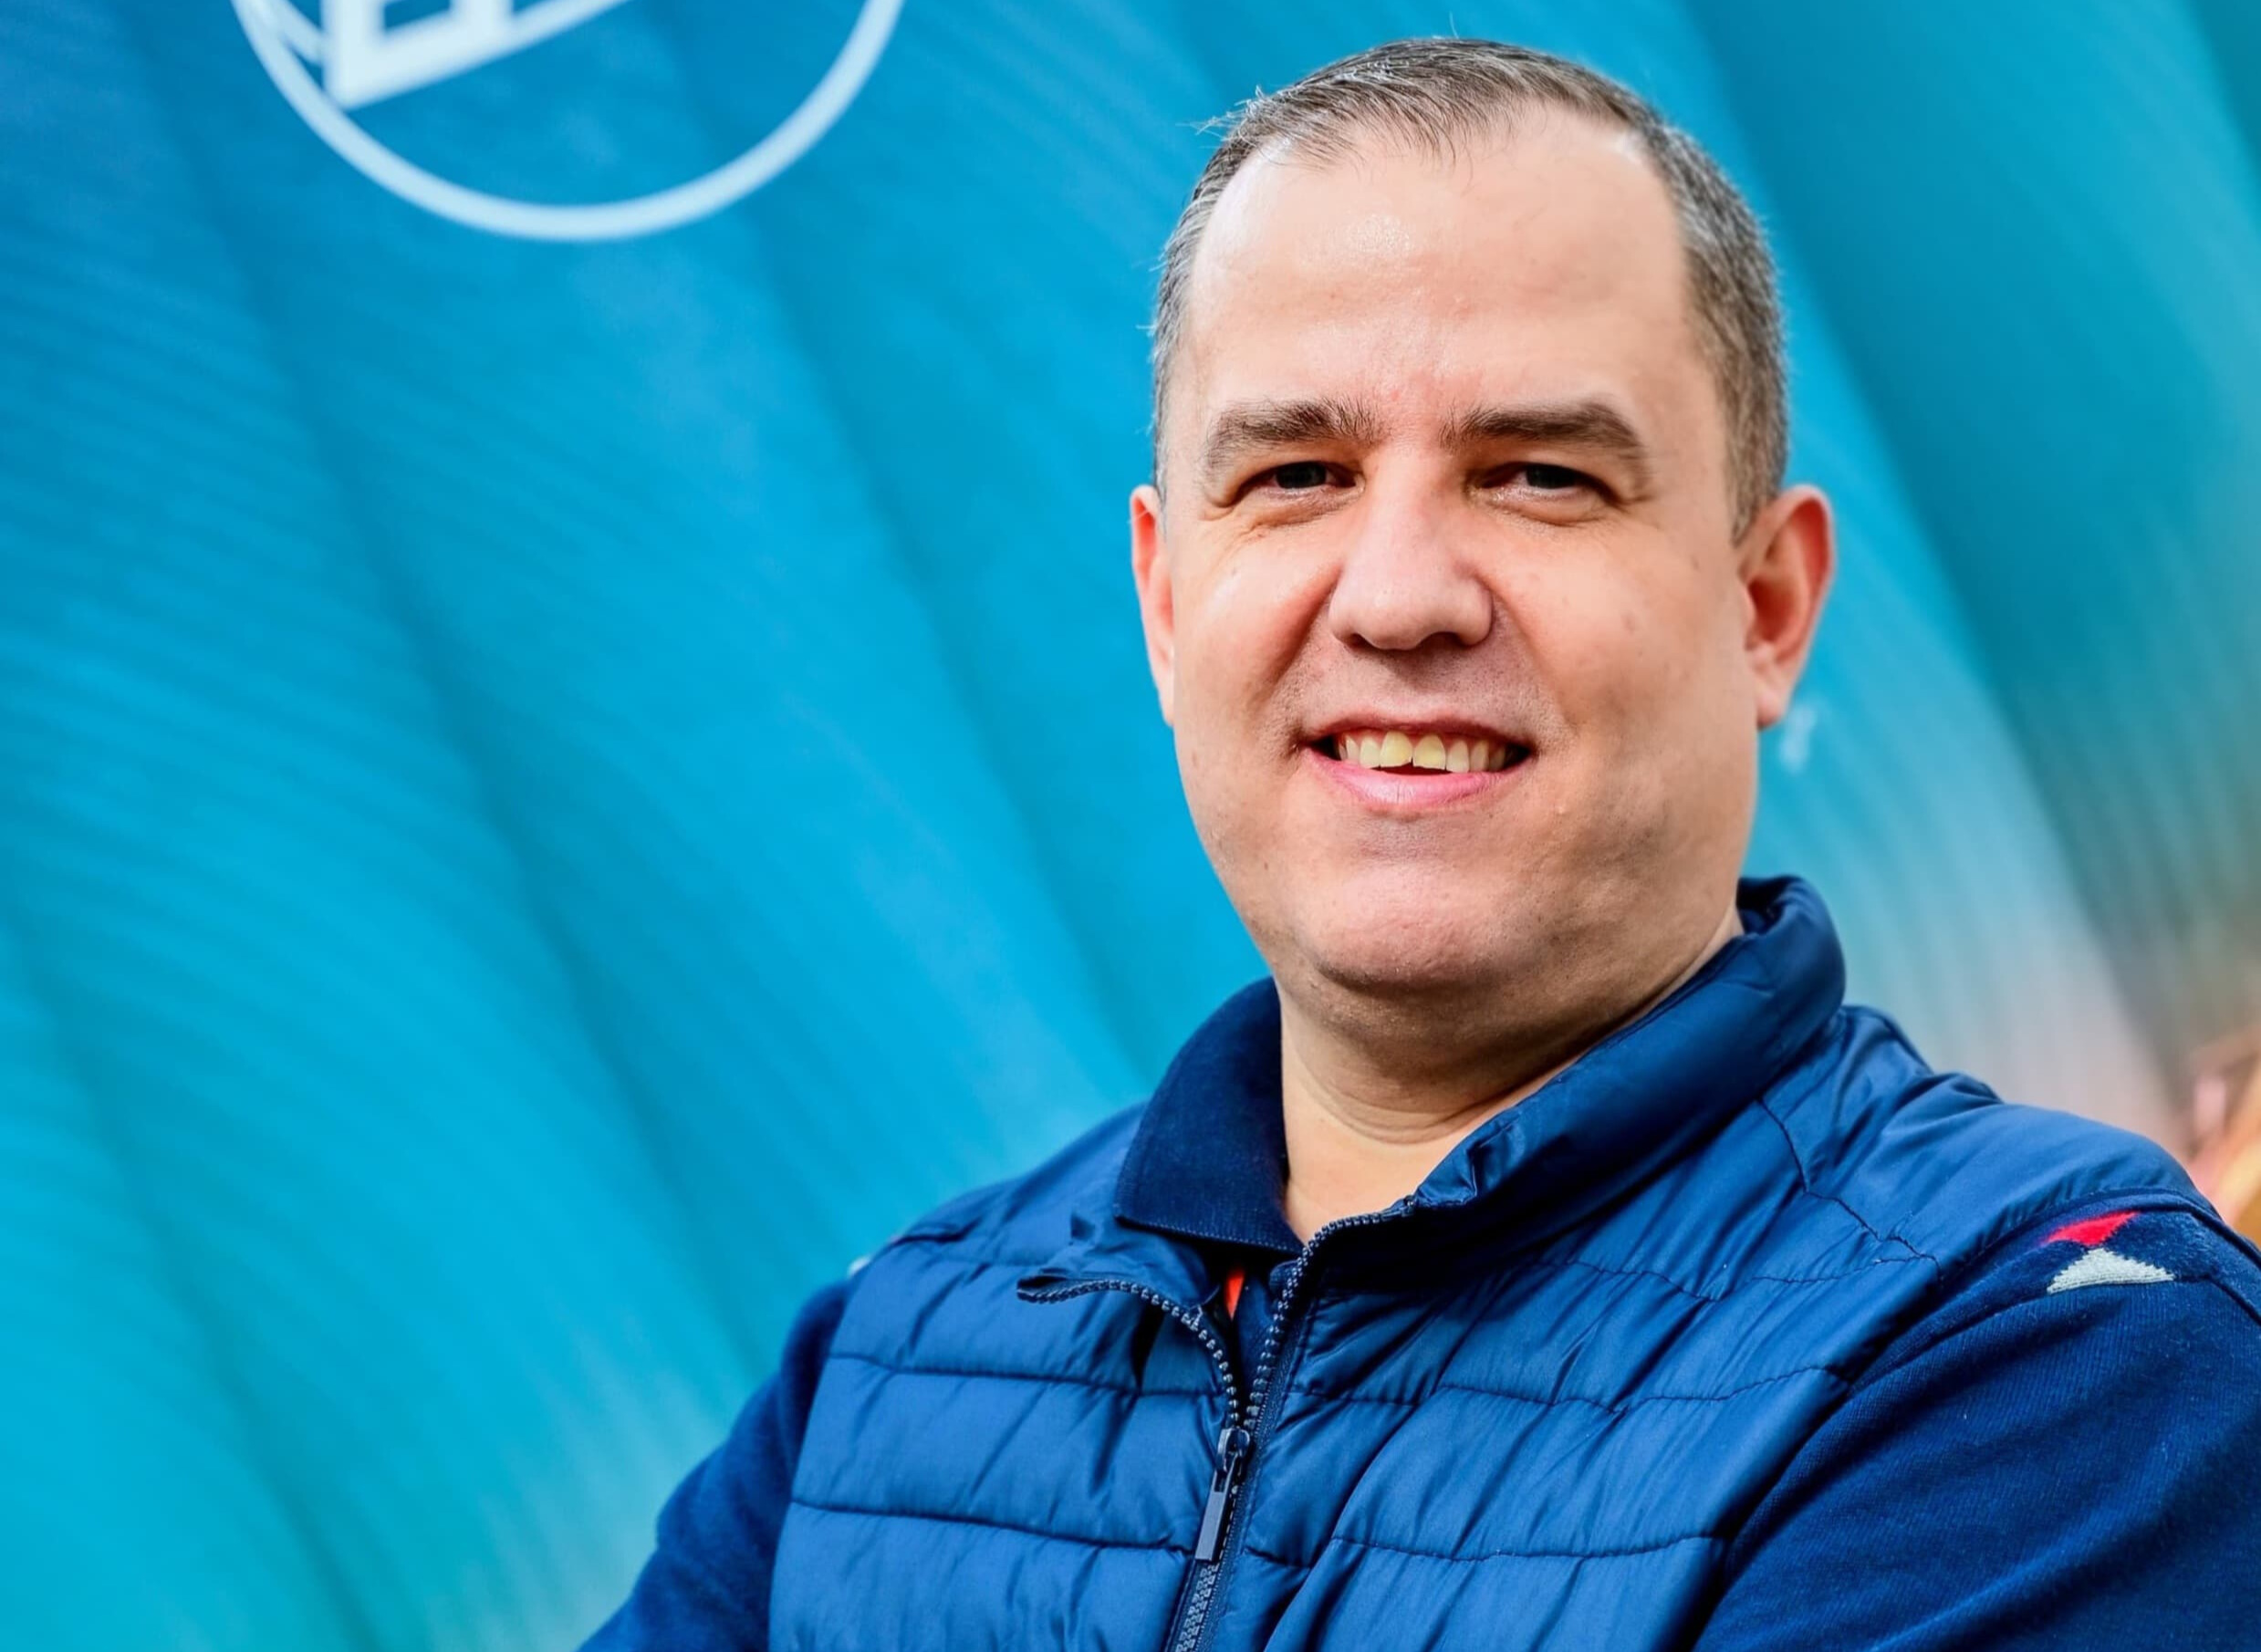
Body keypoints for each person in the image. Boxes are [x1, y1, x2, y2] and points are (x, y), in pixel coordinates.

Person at [584, 36, 2261, 1651]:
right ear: (1165, 602)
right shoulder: (892, 1360)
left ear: (1763, 608)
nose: (1395, 598)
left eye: (1536, 476)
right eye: (1296, 475)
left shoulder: (2049, 1348)